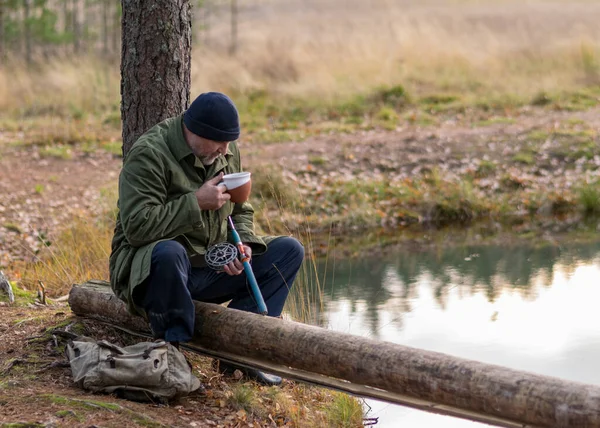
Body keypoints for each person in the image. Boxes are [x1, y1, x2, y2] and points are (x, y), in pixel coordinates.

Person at [109, 92, 304, 386]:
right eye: (219, 143)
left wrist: (243, 245)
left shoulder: (223, 150)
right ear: (194, 131)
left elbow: (241, 210)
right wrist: (195, 203)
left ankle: (239, 352)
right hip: (156, 275)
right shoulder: (150, 153)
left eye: (229, 144)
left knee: (289, 251)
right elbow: (137, 226)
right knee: (169, 252)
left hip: (207, 267)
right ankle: (171, 353)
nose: (225, 150)